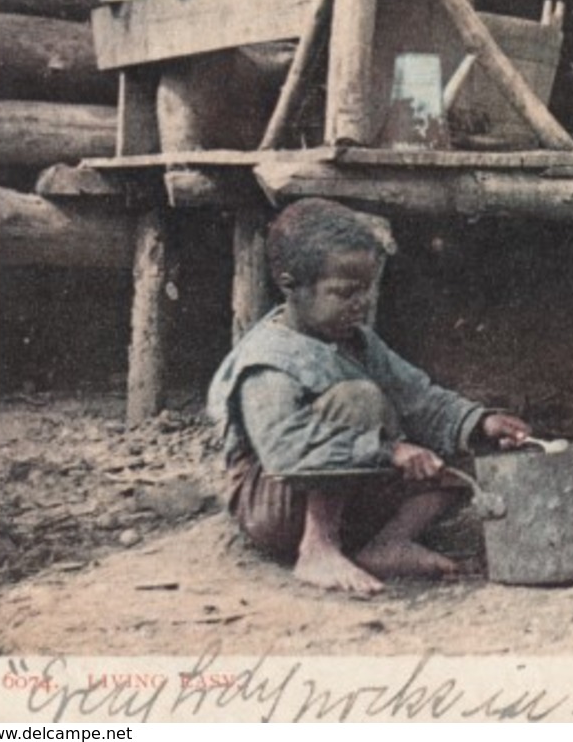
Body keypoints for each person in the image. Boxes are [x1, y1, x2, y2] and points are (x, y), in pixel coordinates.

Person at [207, 198, 531, 595]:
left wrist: (478, 423)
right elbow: (287, 453)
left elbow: (419, 399)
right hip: (278, 504)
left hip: (351, 482)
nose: (361, 304)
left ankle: (388, 543)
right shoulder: (268, 362)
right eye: (344, 292)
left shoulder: (359, 341)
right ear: (290, 285)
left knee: (462, 450)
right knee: (359, 399)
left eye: (366, 290)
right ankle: (318, 548)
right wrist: (390, 453)